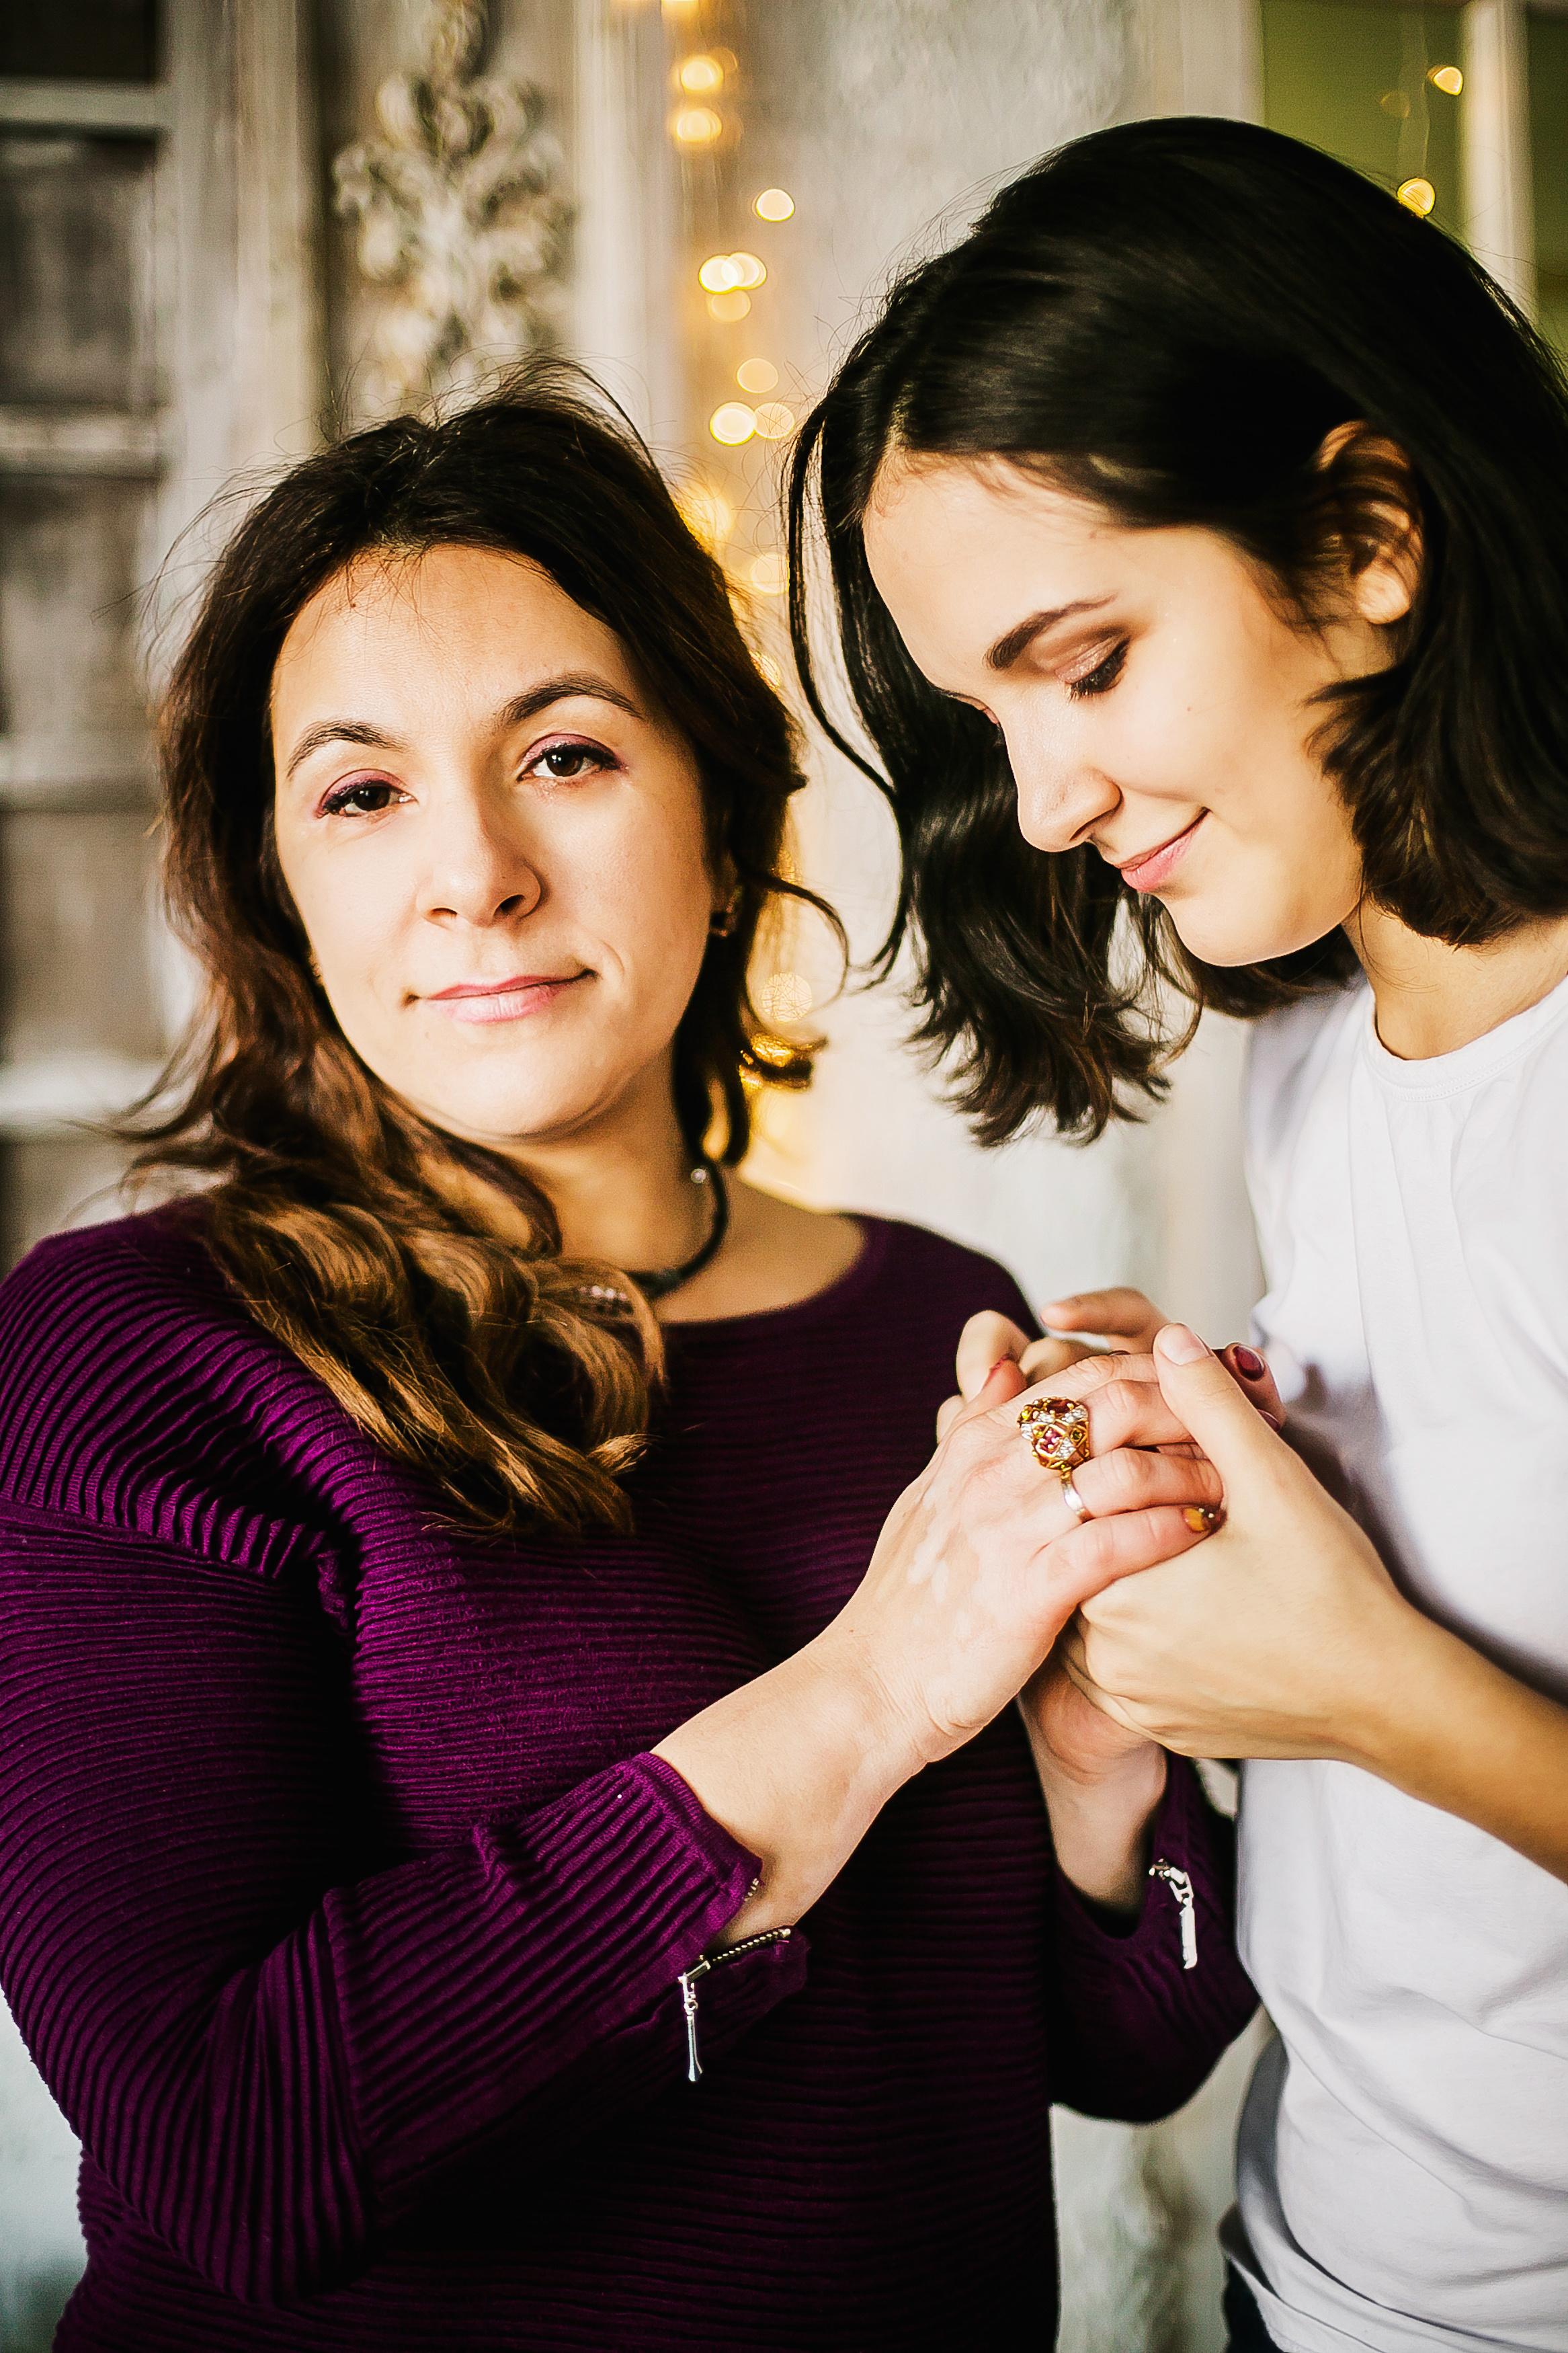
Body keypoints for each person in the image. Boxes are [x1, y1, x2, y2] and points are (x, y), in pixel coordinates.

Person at [0, 369, 1256, 2352]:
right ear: (274, 884)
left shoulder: (935, 1308)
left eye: (566, 756)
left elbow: (1123, 2047)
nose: (477, 870)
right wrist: (879, 1683)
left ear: (721, 807)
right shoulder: (134, 1352)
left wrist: (1103, 1740)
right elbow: (225, 2149)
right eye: (360, 791)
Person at [788, 117, 1568, 2353]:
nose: (1041, 803)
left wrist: (1359, 1690)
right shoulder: (1322, 1052)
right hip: (1312, 2264)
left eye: (1089, 660)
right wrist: (1222, 1464)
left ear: (1366, 537)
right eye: (987, 718)